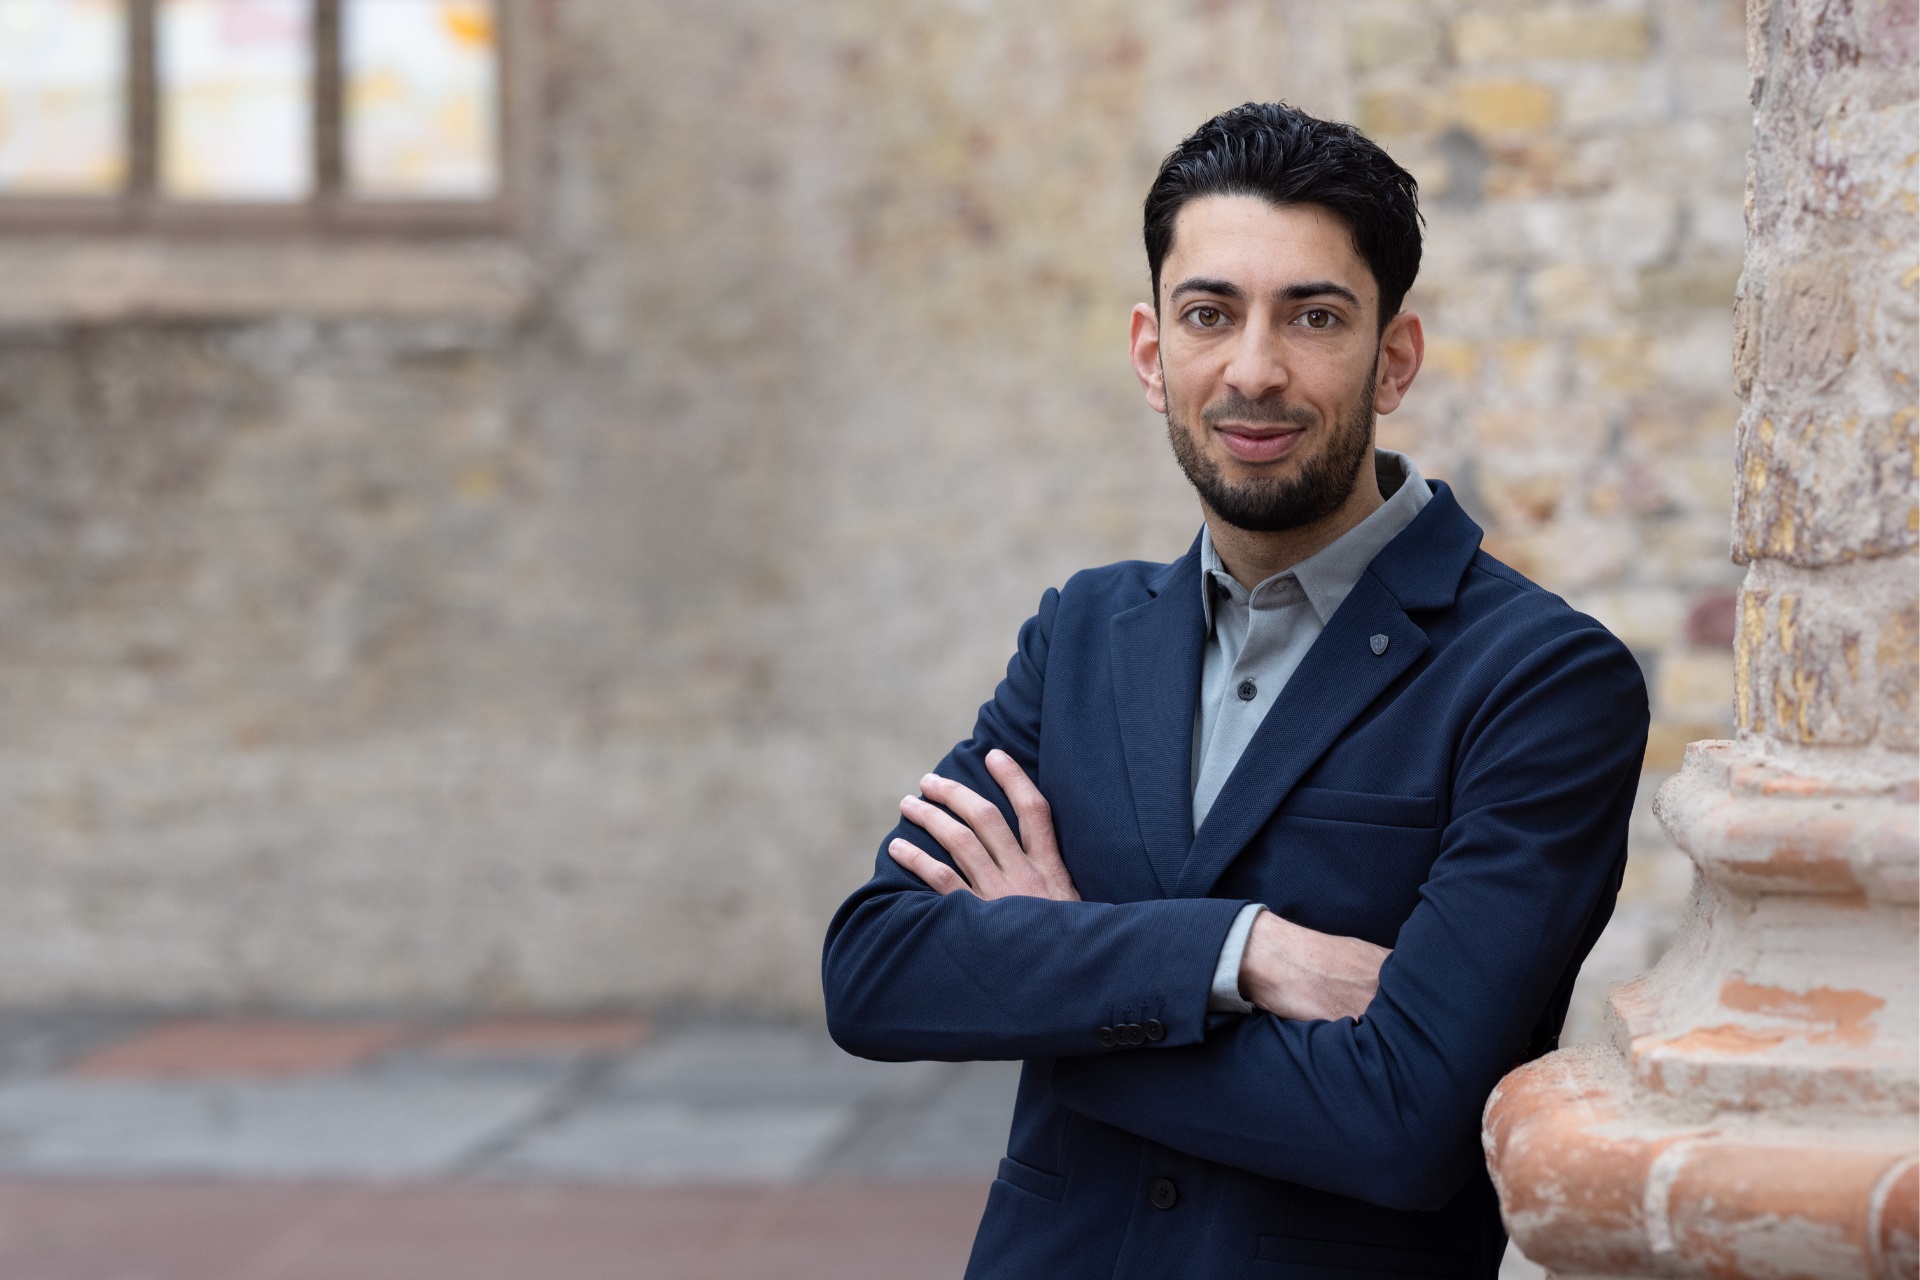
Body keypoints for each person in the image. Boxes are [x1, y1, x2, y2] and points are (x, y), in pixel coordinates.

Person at [821, 102, 1648, 1280]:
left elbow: (1404, 1117)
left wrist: (1054, 968)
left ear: (1393, 359)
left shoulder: (1542, 679)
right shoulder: (1082, 635)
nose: (1254, 370)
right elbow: (876, 969)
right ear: (1151, 352)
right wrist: (1240, 951)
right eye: (1210, 313)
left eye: (1314, 316)